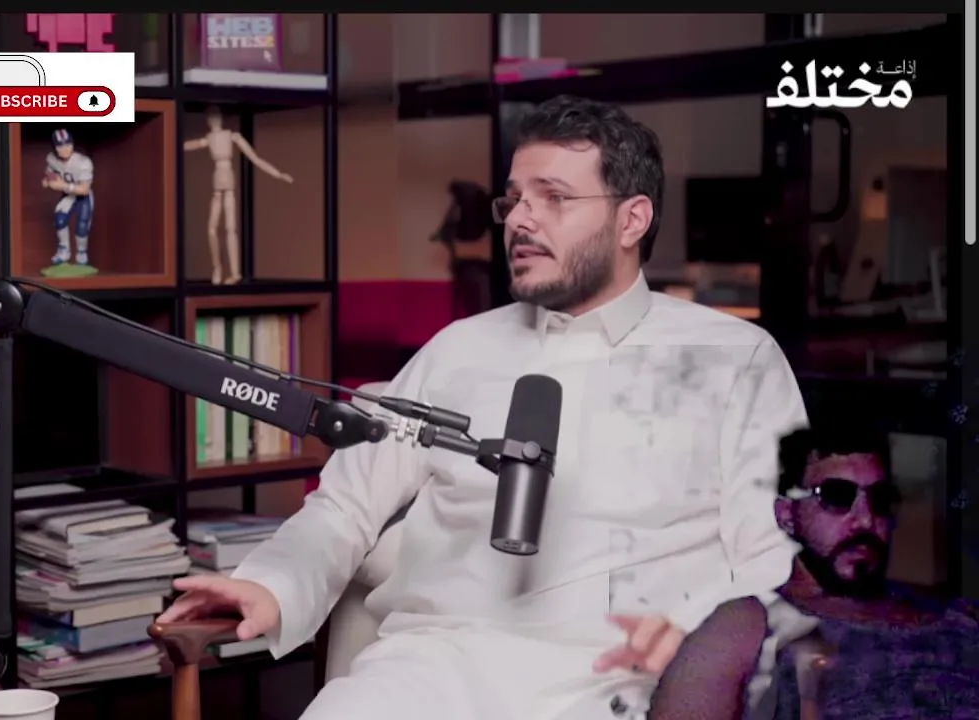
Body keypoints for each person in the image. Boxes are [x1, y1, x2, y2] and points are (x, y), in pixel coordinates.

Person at [158, 95, 808, 719]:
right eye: (514, 200)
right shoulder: (456, 351)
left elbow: (773, 557)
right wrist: (270, 586)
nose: (521, 220)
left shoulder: (737, 358)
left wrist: (708, 661)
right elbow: (344, 507)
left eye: (554, 198)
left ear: (631, 220)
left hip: (628, 681)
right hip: (437, 666)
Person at [649, 427, 979, 719]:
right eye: (836, 496)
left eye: (879, 499)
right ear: (787, 515)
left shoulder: (959, 615)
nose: (866, 519)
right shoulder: (746, 624)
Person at [42, 128, 94, 266]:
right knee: (60, 220)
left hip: (83, 197)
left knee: (82, 226)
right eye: (60, 146)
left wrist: (62, 185)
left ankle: (81, 253)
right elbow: (49, 171)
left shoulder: (83, 162)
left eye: (68, 144)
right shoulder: (52, 158)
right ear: (55, 148)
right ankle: (64, 251)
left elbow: (84, 189)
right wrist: (48, 180)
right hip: (68, 195)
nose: (65, 149)